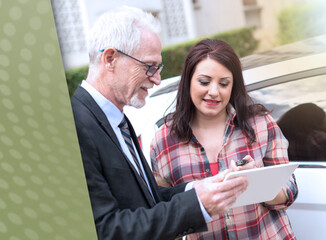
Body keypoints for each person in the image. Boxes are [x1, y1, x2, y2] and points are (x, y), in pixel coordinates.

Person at [70, 6, 249, 240]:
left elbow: (147, 200)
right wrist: (197, 204)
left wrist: (201, 189)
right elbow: (105, 230)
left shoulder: (117, 121)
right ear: (110, 59)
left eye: (158, 68)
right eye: (149, 67)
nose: (156, 79)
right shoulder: (76, 126)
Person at [150, 39, 298, 240]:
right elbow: (163, 213)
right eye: (204, 81)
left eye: (224, 83)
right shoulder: (163, 141)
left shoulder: (261, 124)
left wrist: (257, 181)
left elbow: (290, 191)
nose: (214, 91)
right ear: (188, 81)